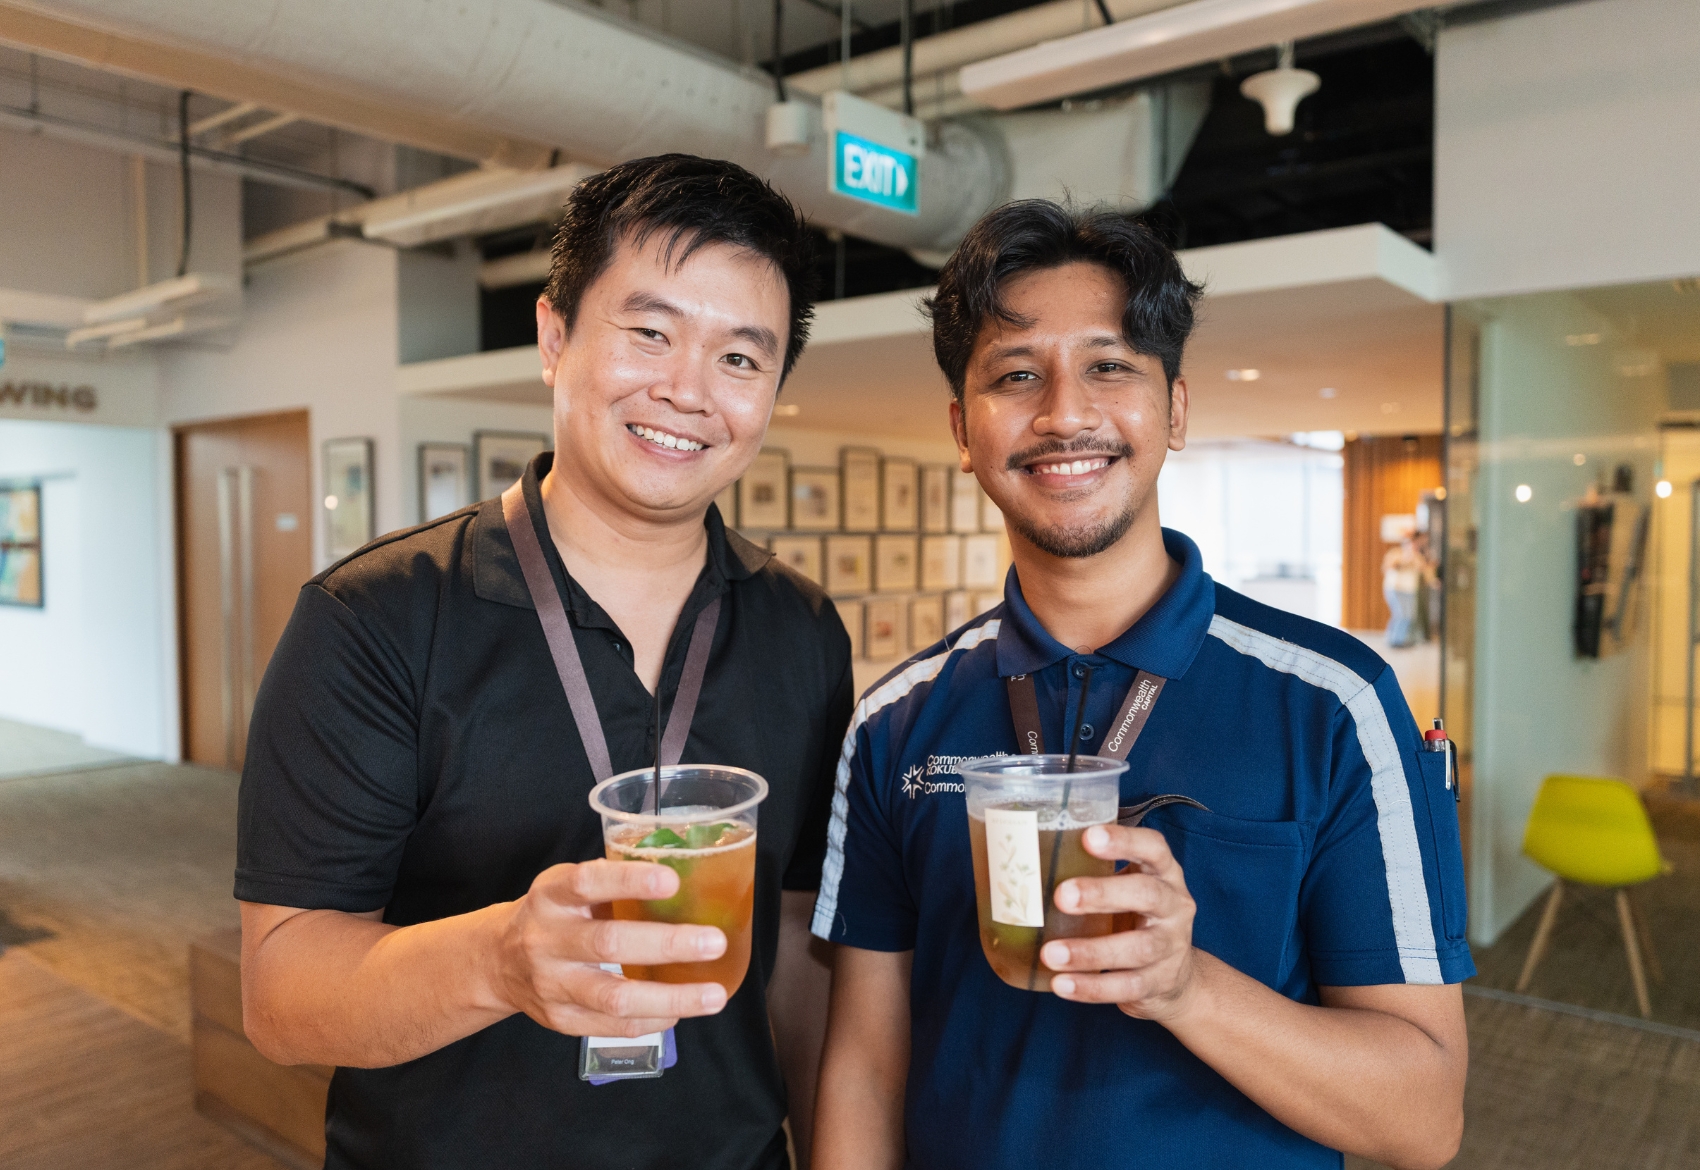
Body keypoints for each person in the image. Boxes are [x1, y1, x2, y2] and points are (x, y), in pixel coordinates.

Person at [810, 201, 1472, 1170]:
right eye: (1015, 375)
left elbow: (1423, 1120)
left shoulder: (1336, 704)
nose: (1063, 413)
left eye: (1108, 365)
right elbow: (865, 1068)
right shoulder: (894, 724)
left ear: (1175, 408)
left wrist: (1185, 988)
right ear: (962, 428)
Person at [235, 155, 849, 1170]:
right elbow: (281, 995)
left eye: (740, 358)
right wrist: (502, 960)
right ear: (553, 338)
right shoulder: (377, 617)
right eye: (648, 332)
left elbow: (794, 959)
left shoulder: (801, 628)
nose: (687, 391)